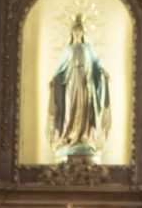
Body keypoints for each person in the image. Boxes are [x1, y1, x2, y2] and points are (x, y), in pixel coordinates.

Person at [47, 15, 111, 160]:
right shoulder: (68, 50)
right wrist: (54, 79)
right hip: (71, 81)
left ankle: (85, 136)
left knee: (85, 107)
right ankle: (69, 135)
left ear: (83, 32)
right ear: (71, 32)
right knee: (70, 108)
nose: (77, 32)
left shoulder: (88, 48)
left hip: (85, 81)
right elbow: (60, 68)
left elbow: (96, 63)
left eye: (80, 30)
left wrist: (102, 71)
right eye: (75, 30)